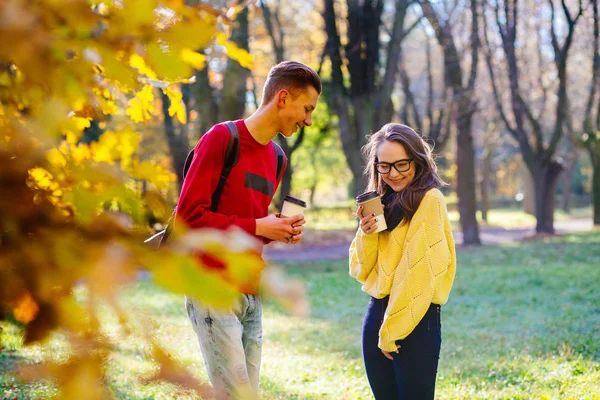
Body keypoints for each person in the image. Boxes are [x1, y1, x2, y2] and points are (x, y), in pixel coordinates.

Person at [176, 61, 321, 399]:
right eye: (307, 109)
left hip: (250, 291)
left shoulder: (277, 159)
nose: (309, 120)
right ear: (283, 98)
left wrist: (277, 229)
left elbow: (247, 221)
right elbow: (189, 219)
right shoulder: (221, 138)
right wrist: (259, 225)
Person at [349, 123, 456, 400]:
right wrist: (367, 231)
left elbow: (419, 273)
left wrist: (392, 332)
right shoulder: (382, 201)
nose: (393, 174)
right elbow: (360, 269)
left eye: (401, 164)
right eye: (384, 166)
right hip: (377, 315)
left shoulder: (430, 200)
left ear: (418, 161)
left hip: (415, 320)